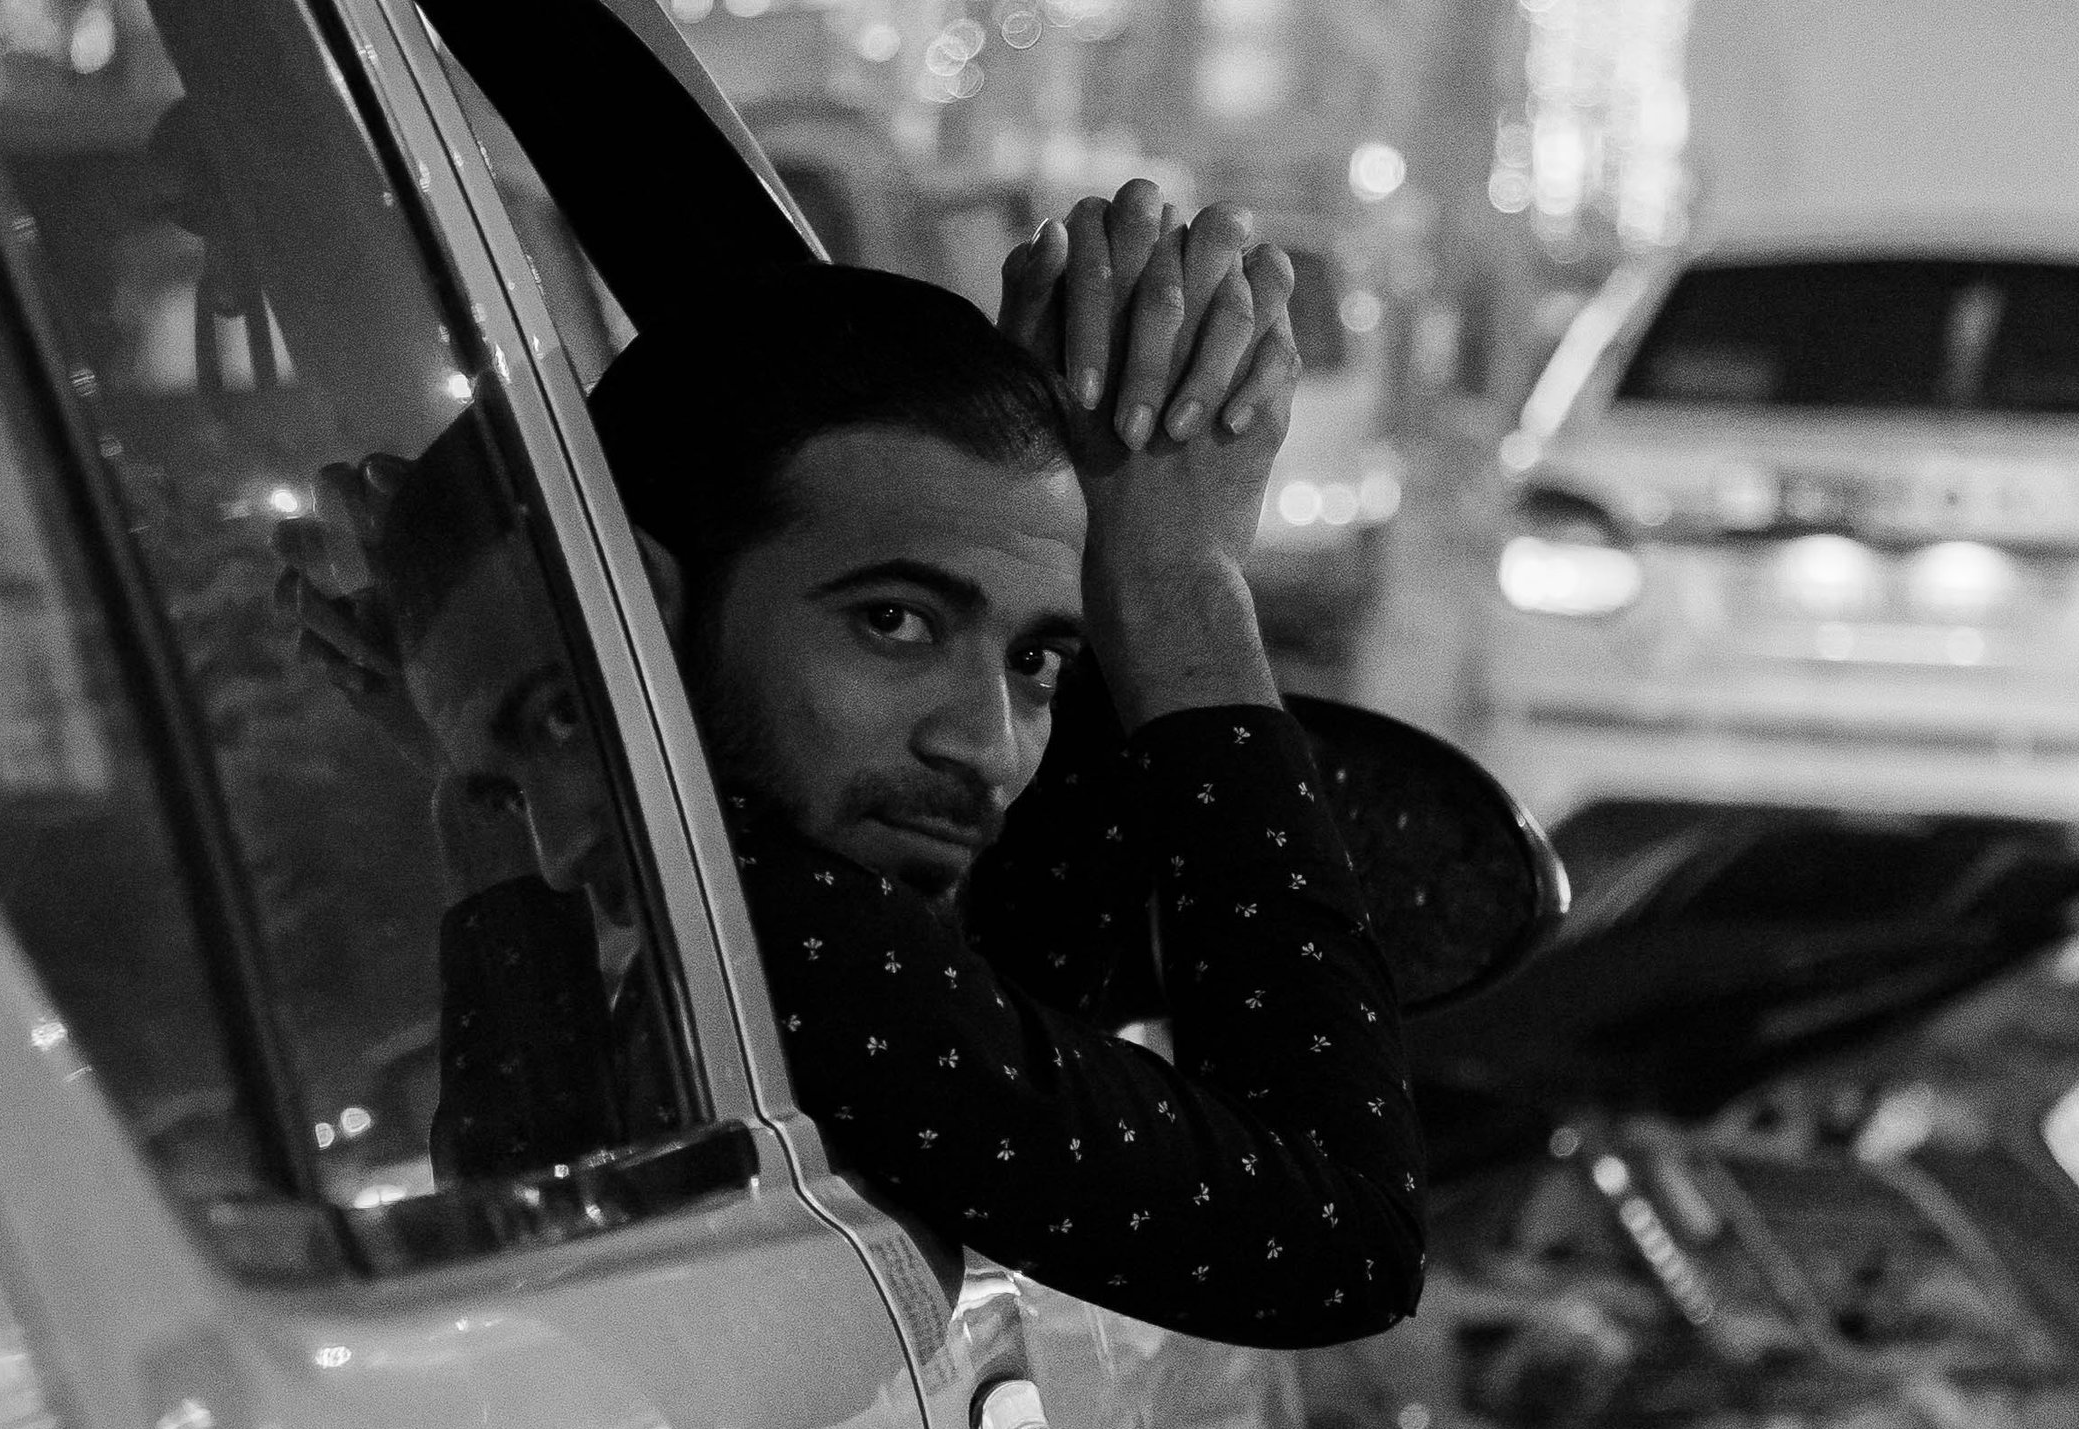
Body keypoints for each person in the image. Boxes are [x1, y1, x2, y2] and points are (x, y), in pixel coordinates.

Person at [291, 185, 1427, 1350]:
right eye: (893, 622)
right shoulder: (794, 948)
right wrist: (1181, 589)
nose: (985, 747)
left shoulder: (717, 916)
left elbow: (1008, 993)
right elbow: (1344, 1239)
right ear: (643, 610)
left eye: (1038, 658)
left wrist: (510, 754)